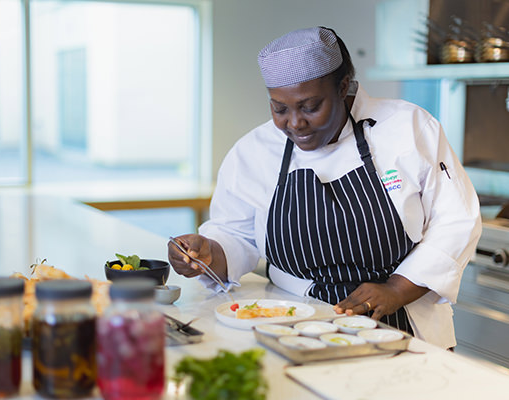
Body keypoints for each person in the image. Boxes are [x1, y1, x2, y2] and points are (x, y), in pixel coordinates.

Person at [167, 26, 482, 349]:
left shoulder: (407, 127)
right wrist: (206, 252)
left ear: (344, 87)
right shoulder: (255, 150)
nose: (294, 123)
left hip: (407, 328)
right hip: (291, 324)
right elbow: (236, 234)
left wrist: (397, 289)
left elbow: (456, 220)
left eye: (309, 106)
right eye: (279, 108)